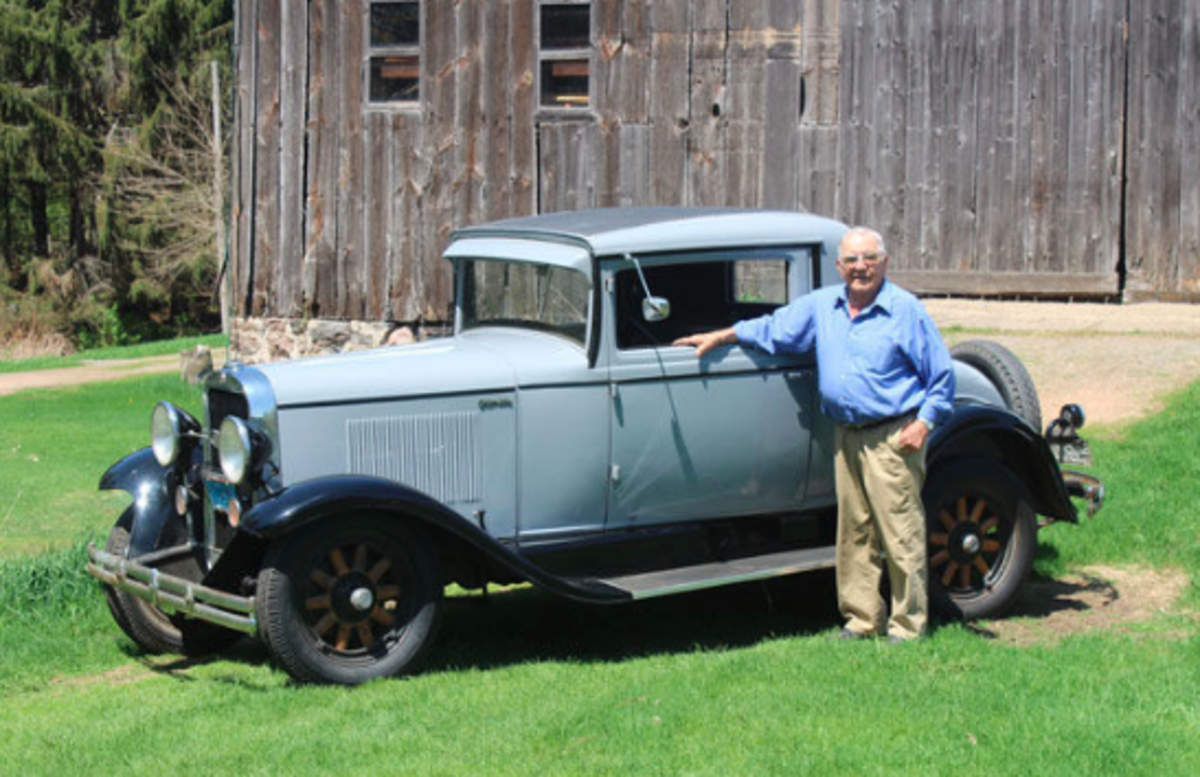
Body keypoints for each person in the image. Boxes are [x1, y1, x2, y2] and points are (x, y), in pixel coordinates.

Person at [673, 227, 954, 641]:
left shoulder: (904, 310)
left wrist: (923, 424)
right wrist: (723, 335)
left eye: (869, 258)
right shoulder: (825, 306)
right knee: (854, 531)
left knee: (900, 531)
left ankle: (908, 625)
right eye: (852, 260)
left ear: (885, 263)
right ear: (839, 266)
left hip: (892, 435)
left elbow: (942, 375)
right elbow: (775, 328)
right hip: (846, 436)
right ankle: (862, 619)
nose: (861, 267)